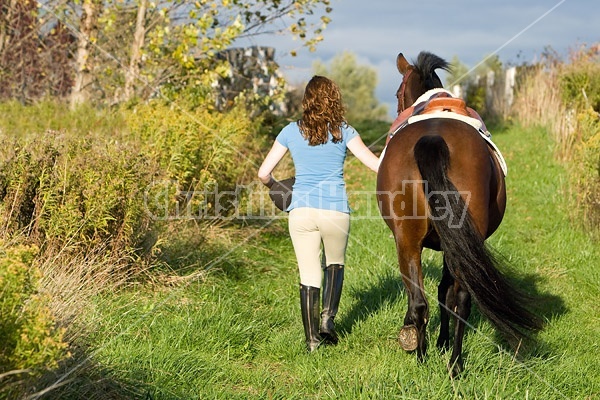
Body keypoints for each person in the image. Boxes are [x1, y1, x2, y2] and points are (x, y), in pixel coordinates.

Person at [258, 76, 379, 352]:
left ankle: (312, 341)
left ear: (306, 101)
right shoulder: (343, 131)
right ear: (334, 98)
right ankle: (327, 322)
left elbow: (263, 173)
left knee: (308, 273)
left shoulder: (290, 131)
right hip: (335, 211)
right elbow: (375, 165)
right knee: (334, 263)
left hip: (300, 211)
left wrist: (277, 187)